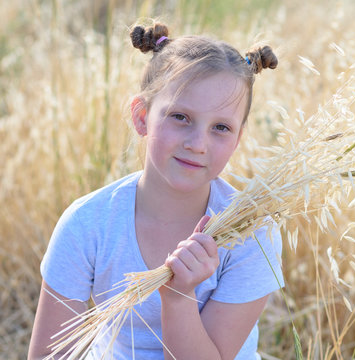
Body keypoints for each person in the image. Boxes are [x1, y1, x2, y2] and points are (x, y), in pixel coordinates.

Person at [28, 21, 283, 360]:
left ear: (237, 139)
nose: (197, 144)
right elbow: (48, 355)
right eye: (180, 117)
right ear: (141, 116)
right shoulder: (87, 224)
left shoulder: (250, 232)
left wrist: (178, 298)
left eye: (221, 127)